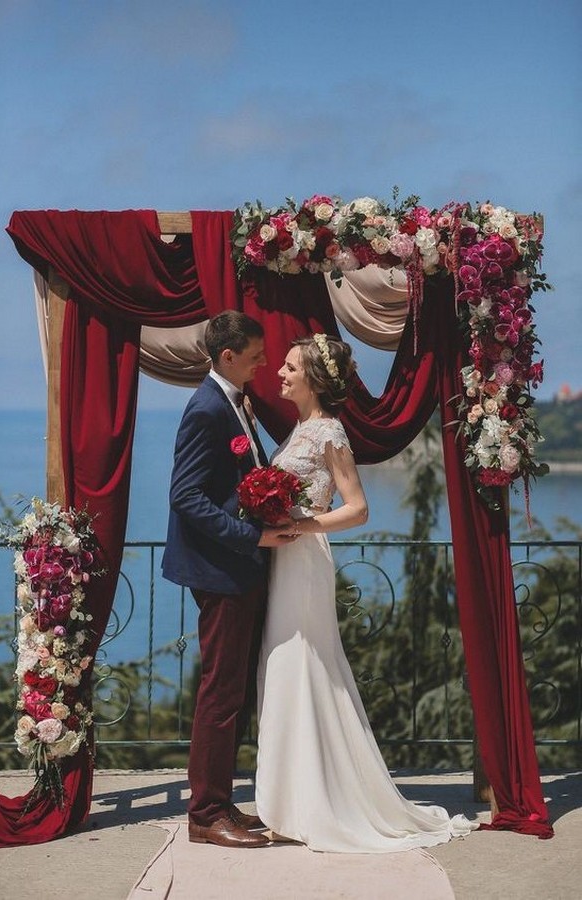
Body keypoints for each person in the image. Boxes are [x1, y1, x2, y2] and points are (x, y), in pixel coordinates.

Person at [255, 333, 477, 852]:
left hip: (304, 560)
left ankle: (316, 801)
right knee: (286, 666)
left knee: (303, 664)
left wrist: (305, 526)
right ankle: (290, 799)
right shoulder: (301, 427)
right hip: (285, 557)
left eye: (289, 368)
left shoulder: (329, 431)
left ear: (312, 378)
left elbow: (357, 508)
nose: (280, 374)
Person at [162, 310, 296, 849]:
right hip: (221, 571)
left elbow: (234, 481)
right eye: (257, 353)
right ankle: (205, 814)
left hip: (237, 570)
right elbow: (186, 496)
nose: (265, 361)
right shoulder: (206, 409)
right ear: (228, 357)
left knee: (234, 690)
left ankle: (221, 801)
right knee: (221, 694)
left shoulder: (233, 402)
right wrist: (253, 538)